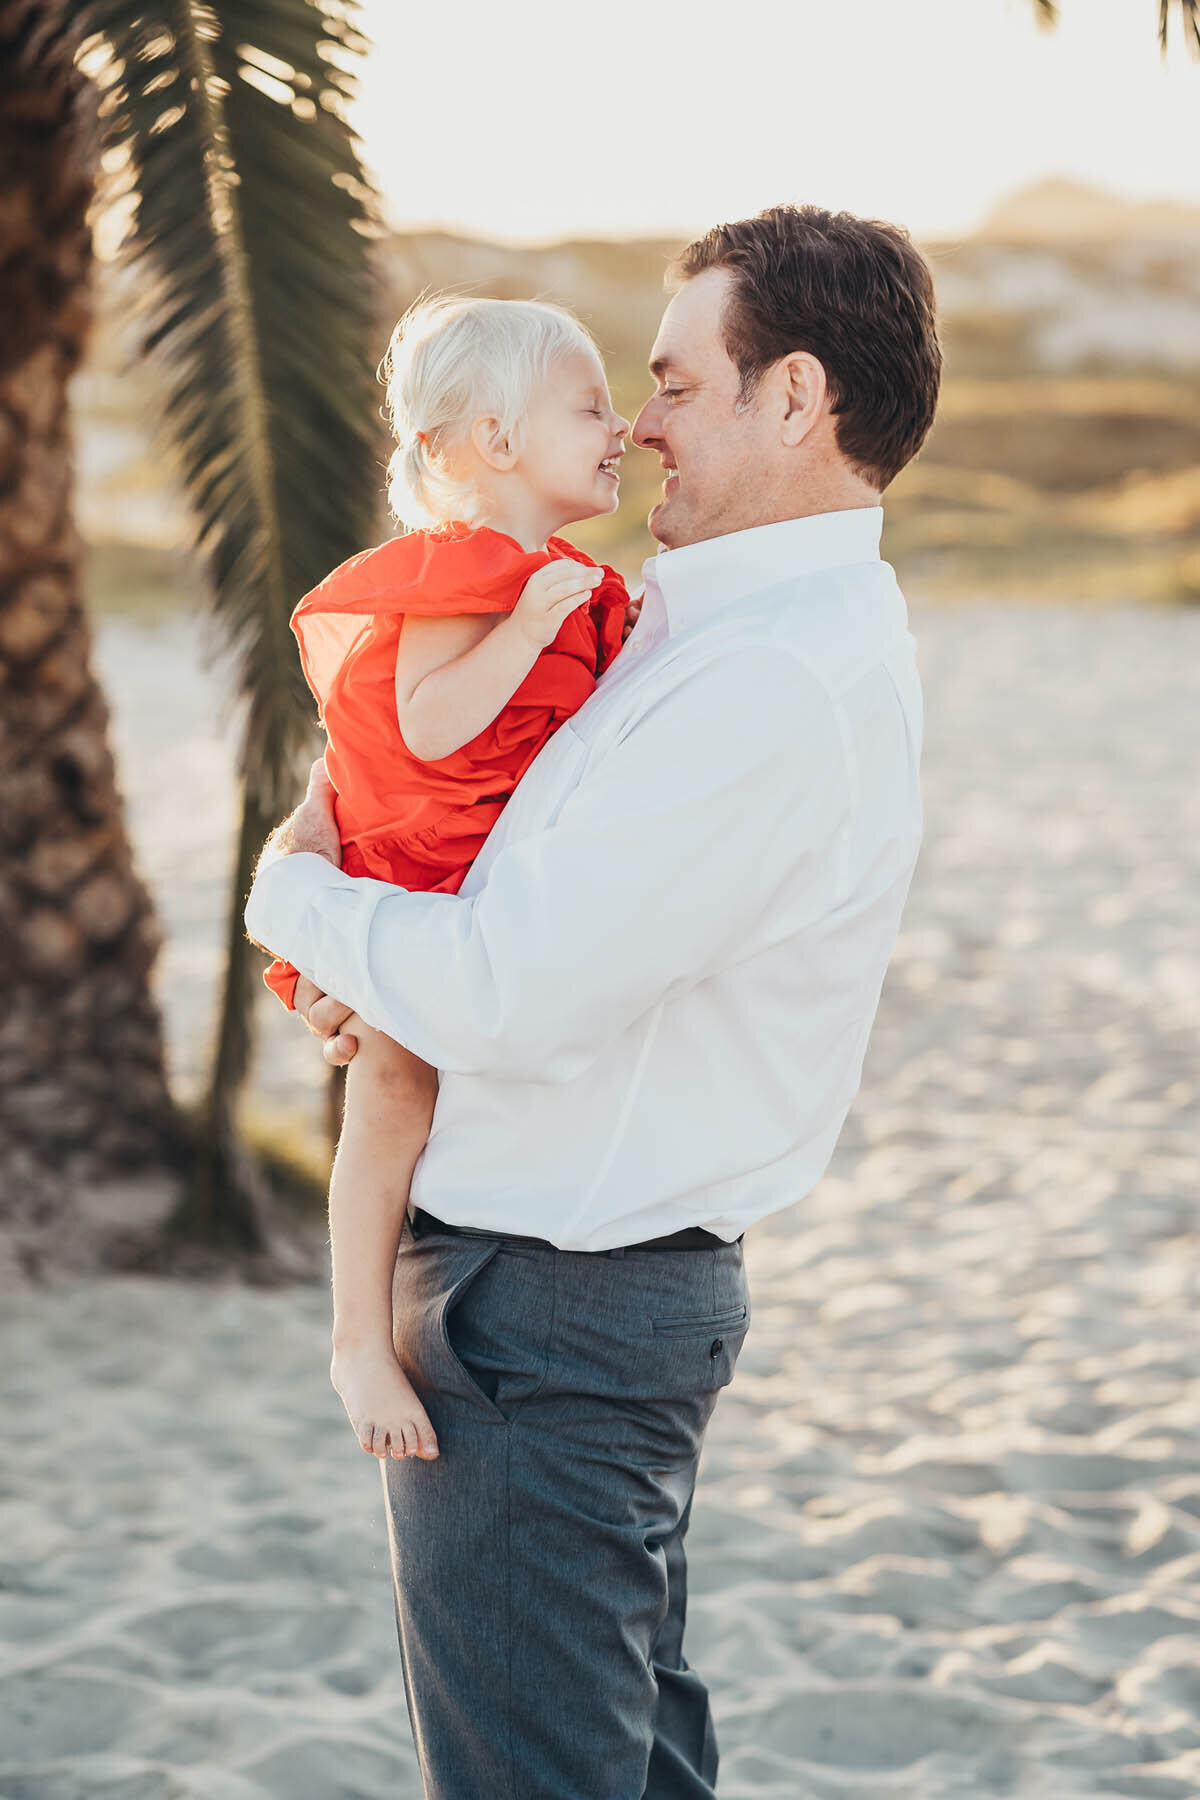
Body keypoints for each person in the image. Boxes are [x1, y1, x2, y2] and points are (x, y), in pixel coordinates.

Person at [245, 203, 941, 1800]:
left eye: (678, 383)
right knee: (624, 1769)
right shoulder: (699, 629)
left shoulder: (771, 676)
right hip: (562, 1303)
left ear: (795, 398)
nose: (638, 424)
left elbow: (502, 995)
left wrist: (295, 901)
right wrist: (363, 939)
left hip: (551, 1319)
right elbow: (438, 786)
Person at [257, 295, 632, 1465]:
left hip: (479, 883)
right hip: (415, 877)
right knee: (393, 1100)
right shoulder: (466, 570)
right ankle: (358, 1340)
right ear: (496, 440)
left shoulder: (553, 575)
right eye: (591, 406)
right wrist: (522, 628)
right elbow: (427, 725)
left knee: (438, 1101)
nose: (621, 427)